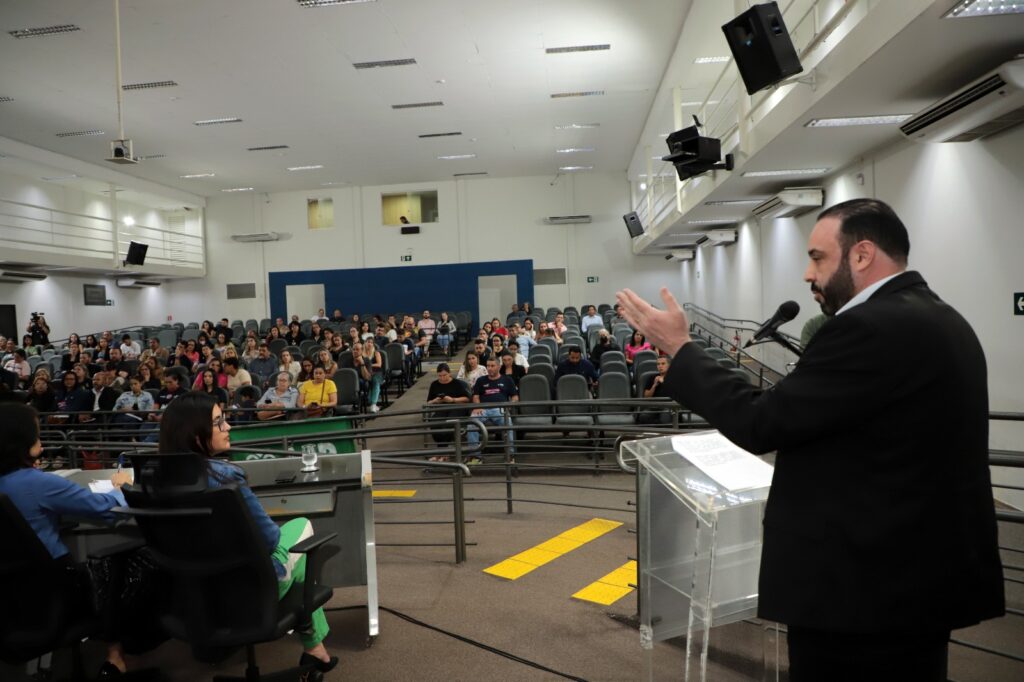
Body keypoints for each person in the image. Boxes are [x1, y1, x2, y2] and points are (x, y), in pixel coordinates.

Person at [616, 198, 1004, 681]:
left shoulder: (871, 327)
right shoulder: (941, 318)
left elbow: (763, 422)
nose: (807, 273)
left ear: (861, 255)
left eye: (817, 257)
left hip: (863, 594)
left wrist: (680, 347)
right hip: (914, 581)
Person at [157, 393, 338, 675]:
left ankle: (316, 650)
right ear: (195, 436)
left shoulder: (154, 481)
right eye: (219, 422)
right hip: (253, 587)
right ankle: (314, 647)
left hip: (194, 593)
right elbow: (271, 540)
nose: (227, 427)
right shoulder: (227, 477)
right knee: (302, 528)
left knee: (294, 550)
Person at [0, 402, 132, 675]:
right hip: (56, 590)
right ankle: (115, 658)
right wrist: (122, 487)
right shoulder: (36, 483)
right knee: (118, 567)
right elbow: (107, 509)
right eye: (35, 432)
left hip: (14, 600)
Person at [466, 357, 518, 462]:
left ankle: (510, 454)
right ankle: (475, 456)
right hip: (482, 409)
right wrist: (477, 406)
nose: (489, 368)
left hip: (499, 409)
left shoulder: (507, 379)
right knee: (471, 423)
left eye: (492, 366)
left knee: (507, 422)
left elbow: (515, 397)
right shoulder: (481, 380)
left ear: (499, 366)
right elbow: (476, 396)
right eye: (488, 366)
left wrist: (509, 405)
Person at [425, 363, 471, 455]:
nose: (442, 378)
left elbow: (467, 398)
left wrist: (453, 400)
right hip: (441, 408)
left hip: (457, 408)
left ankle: (443, 451)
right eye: (440, 376)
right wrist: (435, 401)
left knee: (449, 423)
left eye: (444, 375)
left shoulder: (457, 383)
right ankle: (442, 449)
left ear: (449, 374)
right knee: (435, 423)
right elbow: (428, 402)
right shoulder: (434, 384)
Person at [353, 339, 384, 413]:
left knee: (375, 382)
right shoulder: (361, 354)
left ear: (373, 344)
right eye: (368, 342)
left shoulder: (376, 353)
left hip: (376, 372)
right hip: (367, 372)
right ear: (364, 344)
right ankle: (371, 402)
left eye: (371, 342)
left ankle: (373, 404)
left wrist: (369, 364)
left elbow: (379, 364)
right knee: (368, 381)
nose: (369, 344)